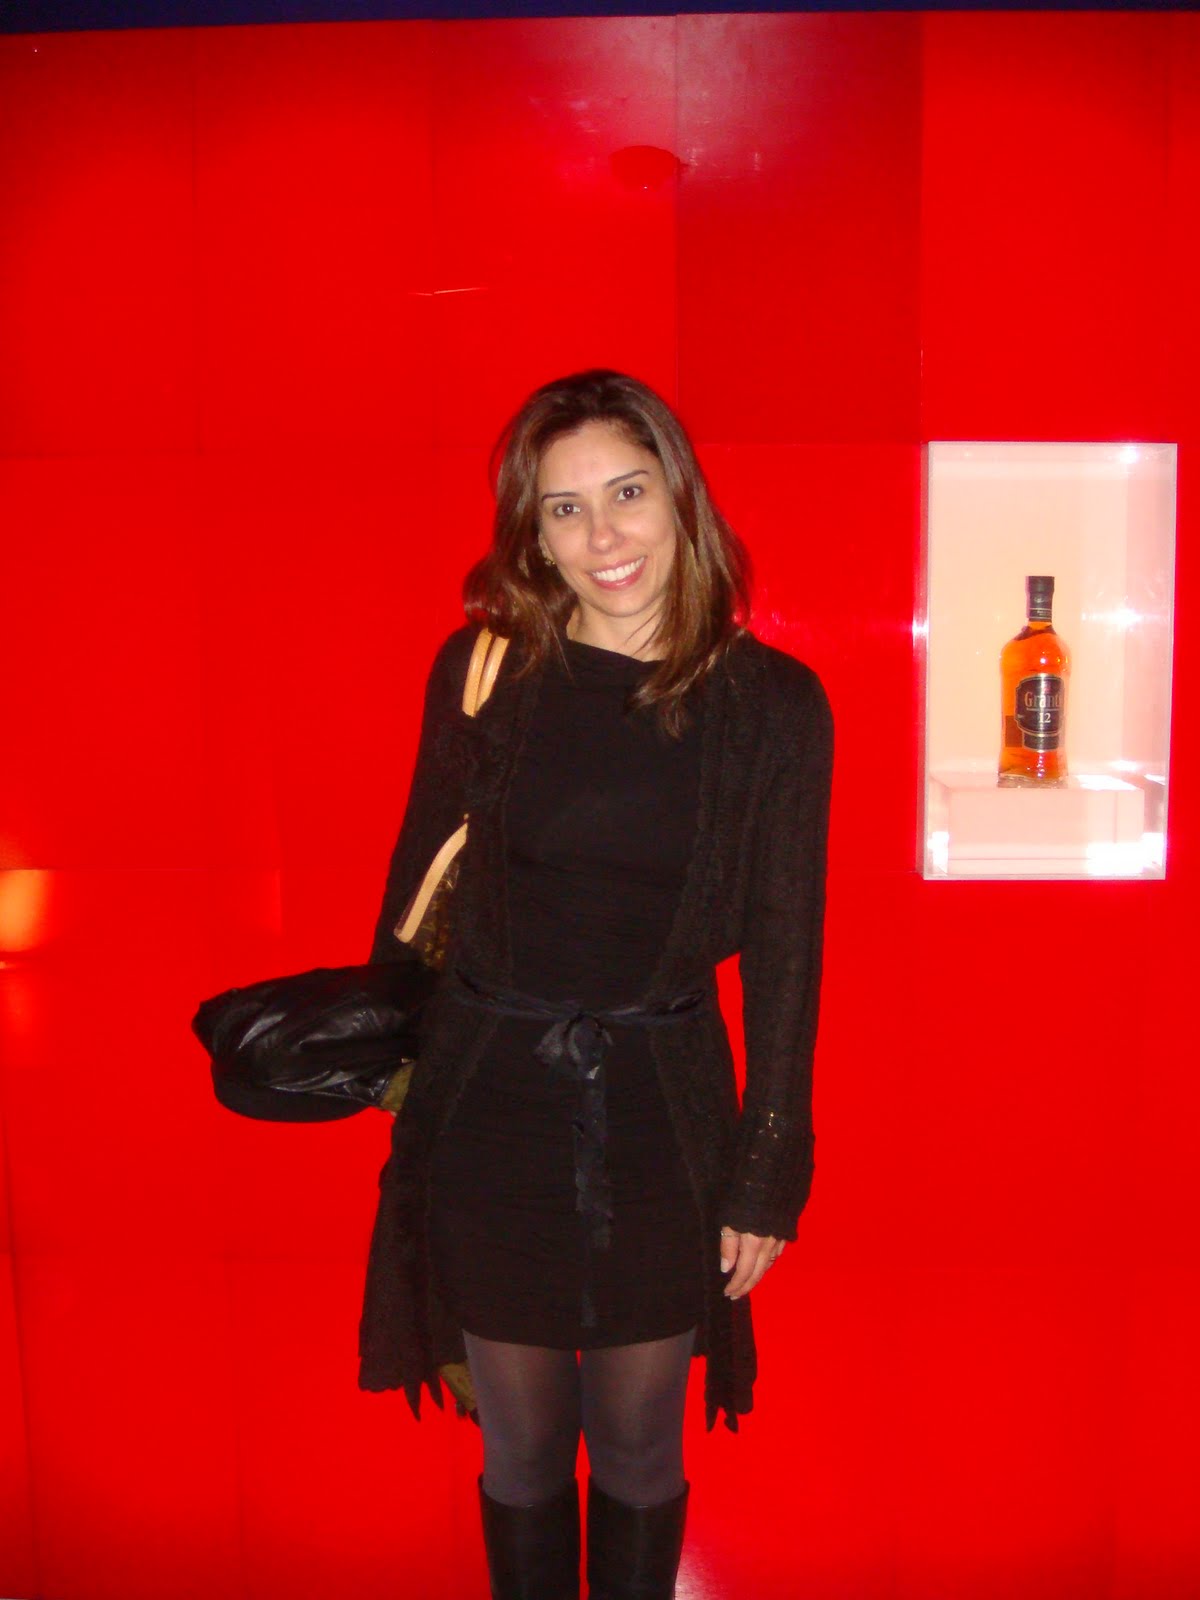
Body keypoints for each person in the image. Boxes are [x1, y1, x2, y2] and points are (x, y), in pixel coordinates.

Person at [358, 369, 833, 1600]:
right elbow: (418, 883)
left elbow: (787, 946)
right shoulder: (485, 670)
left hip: (659, 1116)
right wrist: (377, 1053)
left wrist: (769, 1158)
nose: (602, 535)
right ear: (534, 532)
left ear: (680, 496)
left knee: (635, 1445)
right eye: (564, 508)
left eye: (627, 492)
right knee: (518, 1452)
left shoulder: (774, 706)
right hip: (489, 1108)